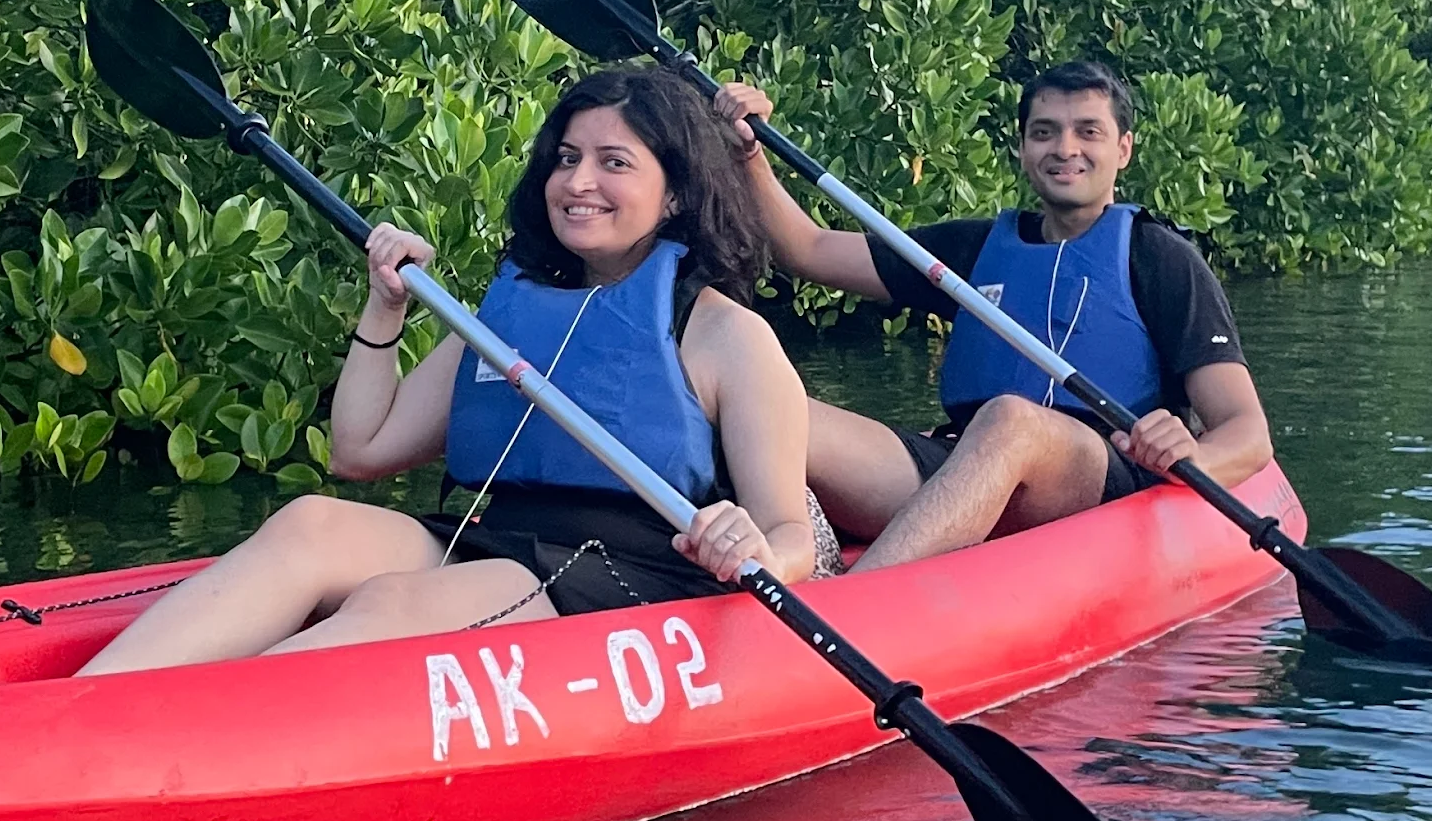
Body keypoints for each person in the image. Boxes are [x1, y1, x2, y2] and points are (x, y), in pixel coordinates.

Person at [79, 70, 815, 674]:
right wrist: (384, 306)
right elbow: (360, 452)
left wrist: (752, 545)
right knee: (311, 523)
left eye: (613, 162)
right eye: (566, 157)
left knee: (393, 605)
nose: (577, 180)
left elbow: (792, 536)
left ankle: (168, 735)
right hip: (494, 541)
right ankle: (84, 708)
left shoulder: (726, 336)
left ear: (677, 193)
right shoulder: (513, 317)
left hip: (626, 574)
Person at [712, 60, 1273, 571]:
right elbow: (808, 249)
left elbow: (1248, 433)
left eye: (1088, 132)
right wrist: (749, 153)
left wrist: (1191, 456)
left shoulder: (1160, 258)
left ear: (1123, 149)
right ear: (1023, 148)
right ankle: (769, 565)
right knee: (770, 409)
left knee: (1012, 421)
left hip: (1099, 474)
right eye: (1045, 132)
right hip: (961, 463)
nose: (1065, 148)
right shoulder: (974, 250)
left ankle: (850, 602)